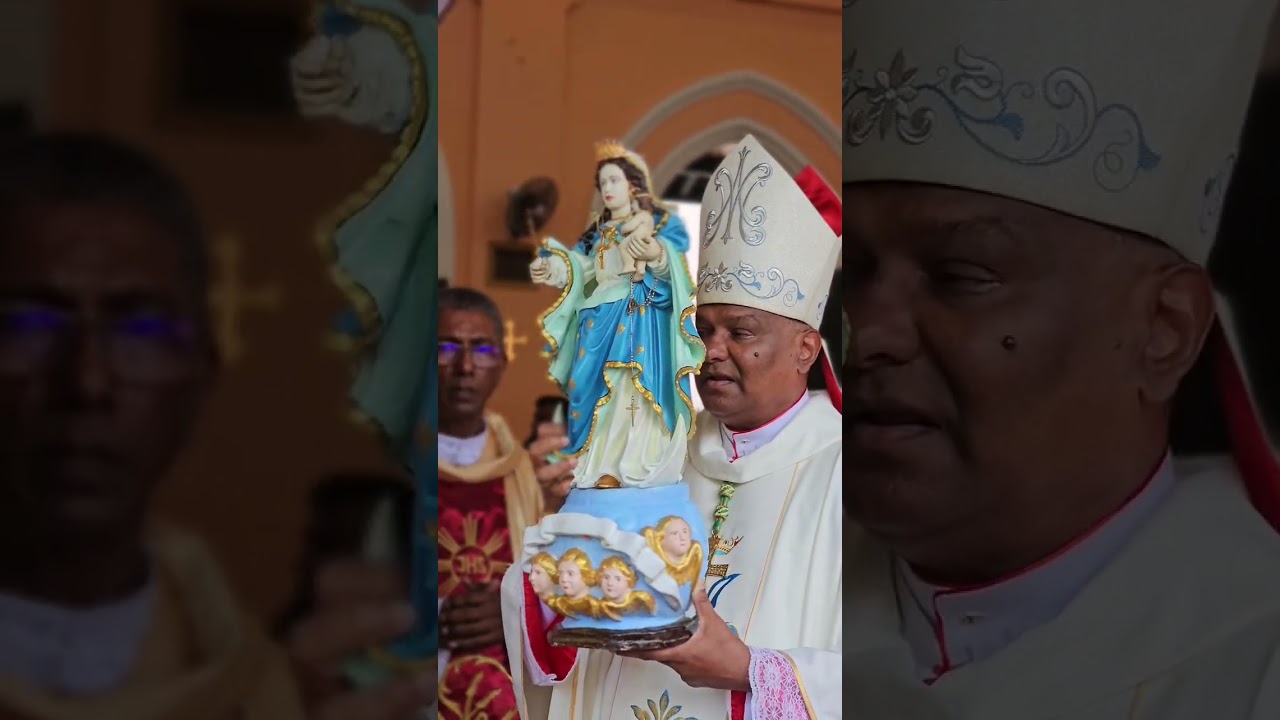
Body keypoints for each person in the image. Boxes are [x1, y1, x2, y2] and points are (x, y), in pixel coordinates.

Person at [841, 0, 1280, 717]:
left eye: (960, 275)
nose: (868, 333)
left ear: (1164, 329)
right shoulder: (769, 592)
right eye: (853, 272)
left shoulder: (1255, 664)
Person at [501, 135, 844, 719]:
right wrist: (569, 533)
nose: (711, 350)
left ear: (806, 349)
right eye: (701, 330)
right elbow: (540, 597)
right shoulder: (653, 448)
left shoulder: (851, 471)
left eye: (740, 332)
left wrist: (749, 670)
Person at [0, 132, 305, 718]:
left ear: (200, 377)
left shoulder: (259, 691)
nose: (88, 383)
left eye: (140, 332)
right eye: (29, 326)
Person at [434, 287, 562, 718]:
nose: (465, 367)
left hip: (501, 693)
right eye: (447, 348)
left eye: (482, 349)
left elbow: (554, 583)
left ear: (502, 364)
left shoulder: (524, 474)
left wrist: (510, 609)